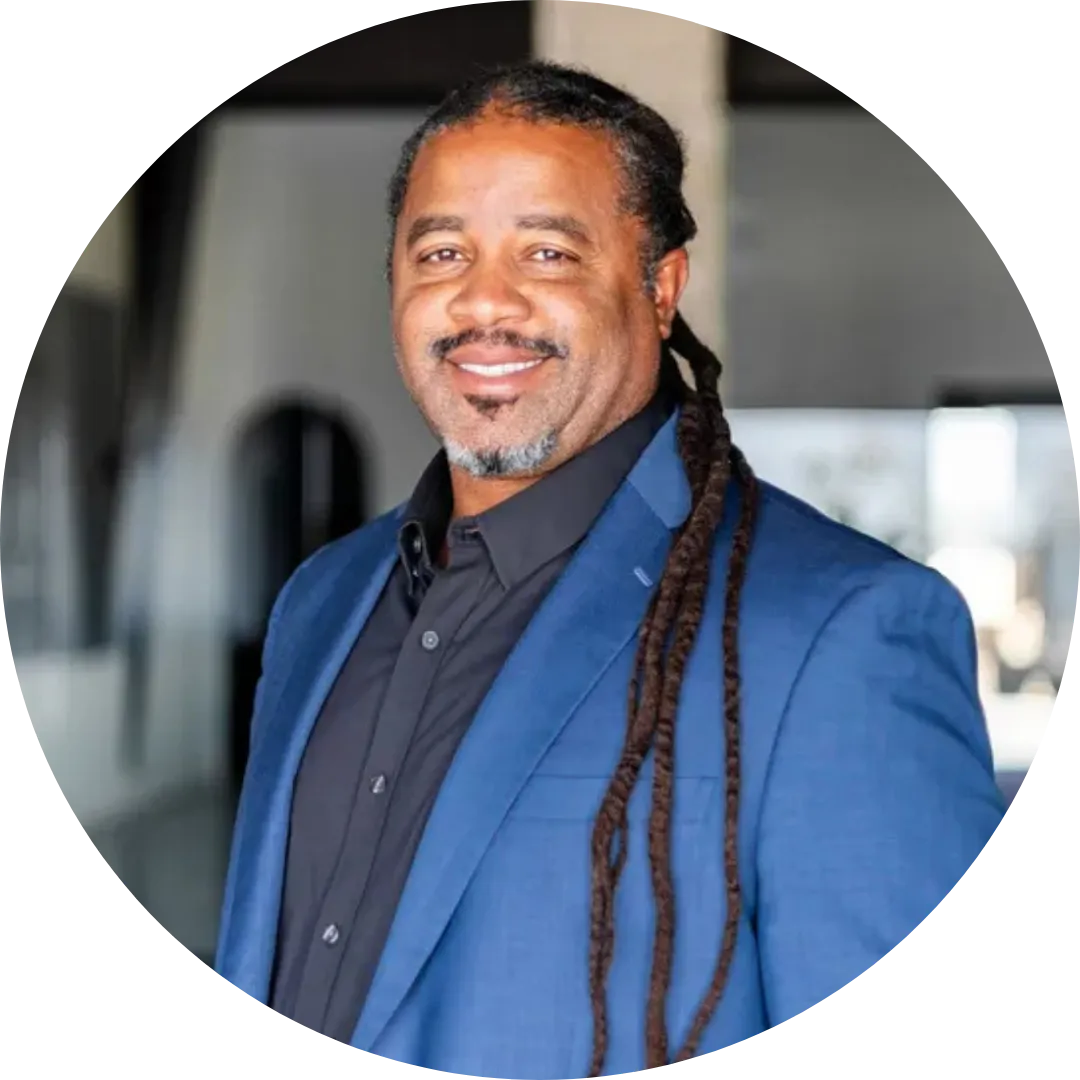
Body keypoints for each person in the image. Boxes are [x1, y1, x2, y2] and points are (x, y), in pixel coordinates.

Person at [213, 61, 1007, 1078]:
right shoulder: (321, 601)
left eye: (546, 252)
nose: (483, 298)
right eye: (442, 252)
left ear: (660, 287)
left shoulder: (841, 634)